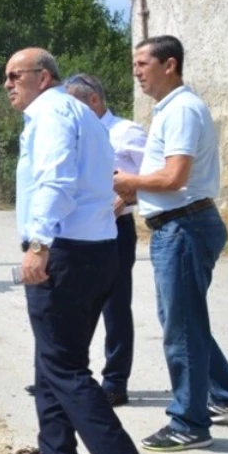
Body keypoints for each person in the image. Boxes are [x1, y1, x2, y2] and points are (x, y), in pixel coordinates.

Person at [6, 47, 161, 454]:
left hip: (65, 251)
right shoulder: (80, 113)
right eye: (6, 77)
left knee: (65, 367)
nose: (9, 83)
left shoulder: (52, 112)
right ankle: (57, 452)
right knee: (52, 356)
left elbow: (55, 181)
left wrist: (38, 244)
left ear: (44, 77)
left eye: (17, 75)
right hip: (94, 249)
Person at [113, 35, 228, 451]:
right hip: (181, 225)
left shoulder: (182, 111)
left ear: (169, 64)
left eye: (142, 63)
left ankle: (189, 423)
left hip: (184, 227)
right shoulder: (173, 110)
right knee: (185, 321)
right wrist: (129, 193)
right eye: (135, 64)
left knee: (182, 328)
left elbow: (174, 178)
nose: (136, 71)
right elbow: (169, 180)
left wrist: (129, 182)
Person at [42, 73, 144, 407]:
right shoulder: (76, 131)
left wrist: (127, 200)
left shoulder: (125, 131)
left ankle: (115, 382)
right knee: (74, 307)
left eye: (74, 103)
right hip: (78, 232)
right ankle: (67, 378)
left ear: (94, 101)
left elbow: (154, 178)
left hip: (116, 231)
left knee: (115, 305)